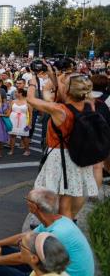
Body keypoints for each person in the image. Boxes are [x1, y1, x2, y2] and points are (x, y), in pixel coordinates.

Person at [0, 188, 94, 276]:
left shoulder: (57, 233)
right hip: (53, 270)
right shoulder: (56, 220)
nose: (26, 201)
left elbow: (23, 257)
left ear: (34, 207)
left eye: (27, 199)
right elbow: (25, 236)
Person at [27, 71, 98, 218]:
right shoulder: (90, 105)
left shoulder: (60, 110)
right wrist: (55, 74)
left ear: (67, 91)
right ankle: (69, 223)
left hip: (60, 156)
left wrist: (33, 82)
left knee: (56, 201)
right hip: (79, 155)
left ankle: (59, 227)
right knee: (69, 197)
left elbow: (31, 99)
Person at [8, 88, 32, 156]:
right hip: (13, 119)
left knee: (24, 136)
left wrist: (30, 123)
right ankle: (11, 150)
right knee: (12, 135)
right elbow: (9, 111)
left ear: (21, 93)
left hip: (23, 120)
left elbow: (30, 114)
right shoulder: (13, 101)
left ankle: (27, 150)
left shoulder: (28, 102)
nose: (15, 93)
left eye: (16, 92)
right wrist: (6, 119)